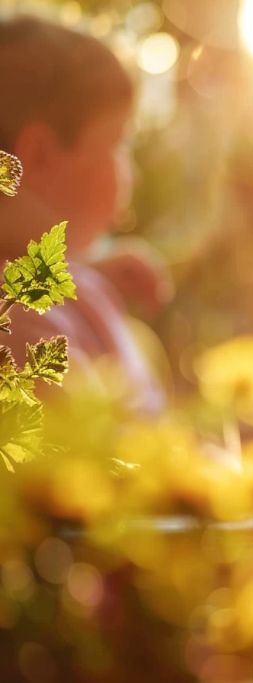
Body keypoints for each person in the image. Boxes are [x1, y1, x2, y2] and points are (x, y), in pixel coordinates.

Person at [0, 14, 168, 415]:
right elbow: (98, 449)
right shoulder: (25, 327)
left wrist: (88, 271)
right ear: (39, 157)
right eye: (119, 143)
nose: (133, 174)